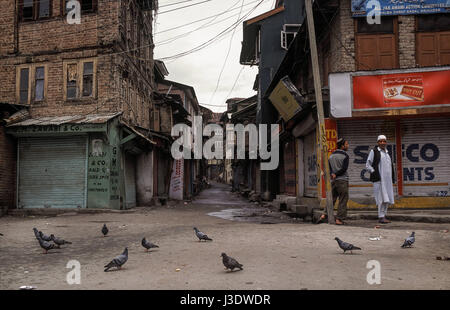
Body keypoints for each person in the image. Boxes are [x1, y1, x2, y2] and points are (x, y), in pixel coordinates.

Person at [317, 138, 350, 225]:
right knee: (343, 199)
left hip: (334, 181)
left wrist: (333, 174)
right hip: (342, 180)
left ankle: (324, 215)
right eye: (346, 144)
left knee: (331, 199)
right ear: (342, 146)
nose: (348, 146)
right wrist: (337, 174)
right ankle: (339, 219)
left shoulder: (331, 156)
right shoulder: (345, 156)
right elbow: (344, 168)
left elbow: (328, 168)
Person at [365, 135, 395, 224]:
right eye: (380, 141)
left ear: (386, 142)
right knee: (380, 198)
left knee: (387, 198)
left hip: (387, 181)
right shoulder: (373, 151)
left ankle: (384, 215)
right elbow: (368, 165)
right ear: (378, 143)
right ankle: (381, 216)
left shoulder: (387, 153)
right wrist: (374, 172)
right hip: (379, 180)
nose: (382, 143)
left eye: (384, 141)